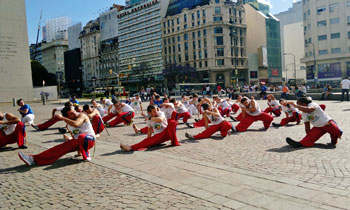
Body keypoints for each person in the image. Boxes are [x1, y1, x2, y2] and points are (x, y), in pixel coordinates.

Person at [18, 106, 96, 166]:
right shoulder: (68, 126)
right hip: (79, 142)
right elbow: (74, 137)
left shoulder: (82, 115)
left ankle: (86, 155)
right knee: (59, 148)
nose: (75, 113)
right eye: (71, 113)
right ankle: (34, 159)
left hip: (90, 140)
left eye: (74, 111)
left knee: (82, 137)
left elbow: (76, 124)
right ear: (68, 117)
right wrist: (77, 150)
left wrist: (62, 118)